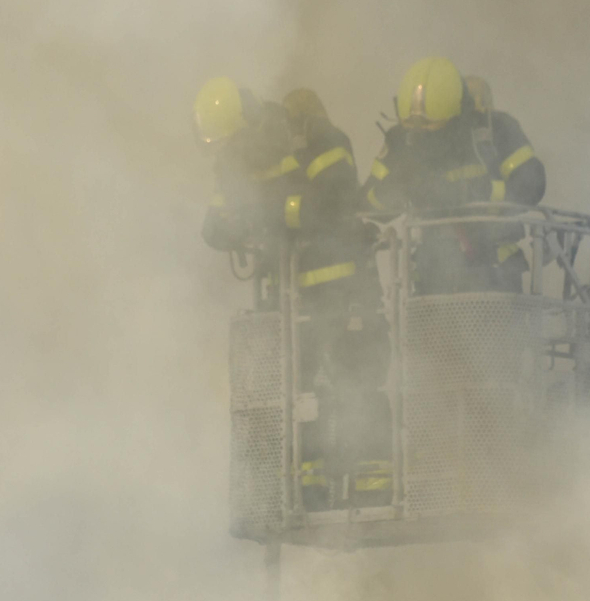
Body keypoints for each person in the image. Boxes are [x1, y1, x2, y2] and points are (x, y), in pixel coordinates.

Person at [197, 78, 386, 509]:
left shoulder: (319, 141)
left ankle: (375, 483)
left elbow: (335, 202)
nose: (229, 148)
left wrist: (271, 214)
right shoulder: (235, 162)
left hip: (345, 289)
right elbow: (213, 226)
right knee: (301, 394)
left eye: (230, 137)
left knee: (358, 380)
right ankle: (311, 488)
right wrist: (255, 219)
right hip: (288, 298)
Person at [361, 57, 546, 293]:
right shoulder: (405, 142)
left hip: (496, 274)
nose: (422, 136)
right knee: (432, 330)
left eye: (431, 127)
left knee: (493, 331)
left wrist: (476, 192)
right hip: (432, 274)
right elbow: (367, 201)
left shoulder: (496, 130)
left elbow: (533, 184)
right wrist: (401, 186)